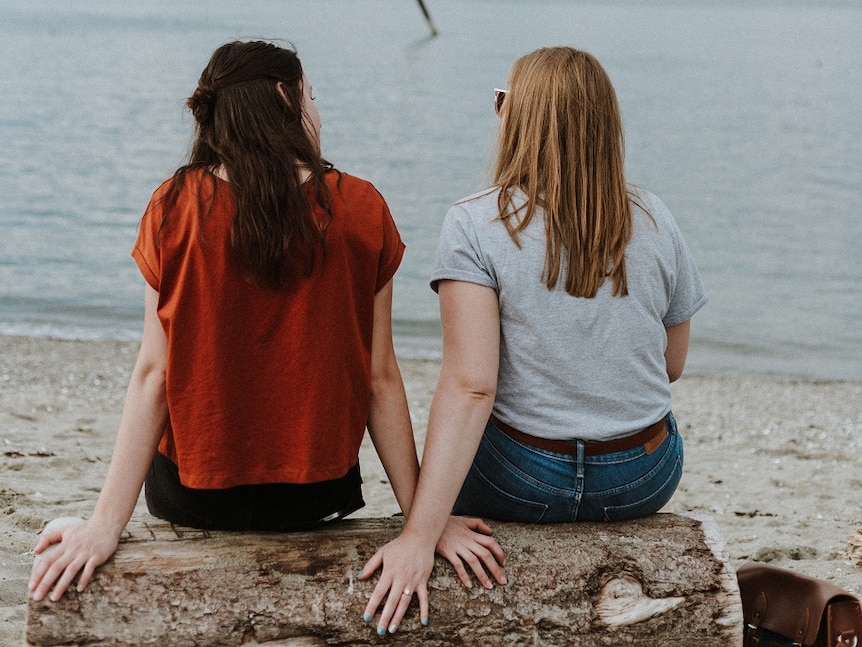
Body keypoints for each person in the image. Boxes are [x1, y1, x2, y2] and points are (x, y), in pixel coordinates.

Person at [27, 40, 505, 619]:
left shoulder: (174, 206)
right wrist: (422, 525)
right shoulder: (359, 207)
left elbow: (153, 374)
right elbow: (380, 379)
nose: (317, 111)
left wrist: (106, 525)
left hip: (191, 497)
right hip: (316, 497)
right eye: (312, 96)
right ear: (286, 98)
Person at [359, 46, 707, 631]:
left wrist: (420, 532)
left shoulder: (474, 224)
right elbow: (671, 365)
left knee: (464, 426)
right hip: (643, 477)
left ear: (517, 123)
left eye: (503, 104)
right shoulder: (653, 217)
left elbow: (473, 388)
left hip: (522, 479)